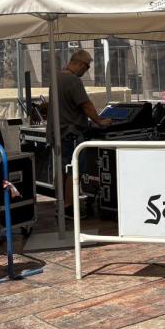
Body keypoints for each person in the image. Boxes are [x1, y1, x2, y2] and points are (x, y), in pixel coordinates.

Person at [55, 50, 111, 216]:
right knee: (74, 170)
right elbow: (86, 104)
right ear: (78, 63)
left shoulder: (57, 77)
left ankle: (62, 204)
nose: (85, 71)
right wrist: (99, 121)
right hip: (71, 132)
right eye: (86, 67)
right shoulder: (72, 80)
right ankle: (69, 207)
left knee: (63, 169)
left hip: (60, 132)